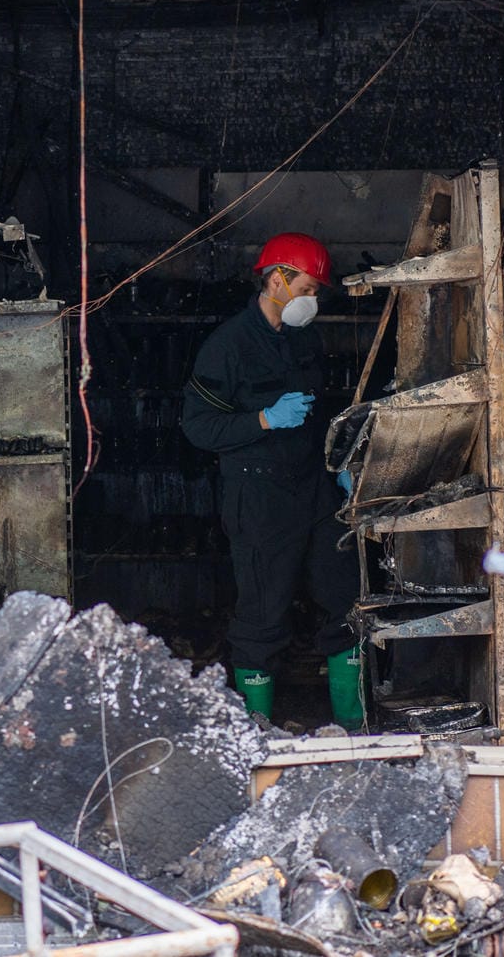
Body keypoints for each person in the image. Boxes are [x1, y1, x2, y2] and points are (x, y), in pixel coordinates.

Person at [180, 232, 362, 725]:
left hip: (315, 489)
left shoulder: (305, 338)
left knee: (346, 601)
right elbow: (196, 427)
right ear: (277, 279)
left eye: (316, 291)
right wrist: (262, 420)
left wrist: (340, 460)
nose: (313, 299)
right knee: (262, 614)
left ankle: (353, 725)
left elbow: (322, 409)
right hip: (258, 495)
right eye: (307, 288)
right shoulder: (228, 347)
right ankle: (256, 734)